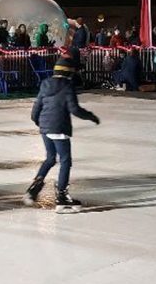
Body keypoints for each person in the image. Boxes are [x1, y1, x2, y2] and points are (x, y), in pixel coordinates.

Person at [24, 54, 100, 212]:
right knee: (65, 161)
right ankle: (62, 197)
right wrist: (91, 116)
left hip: (45, 128)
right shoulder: (67, 86)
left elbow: (35, 109)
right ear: (69, 72)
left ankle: (33, 190)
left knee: (50, 159)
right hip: (59, 128)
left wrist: (41, 123)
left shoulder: (45, 83)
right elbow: (74, 109)